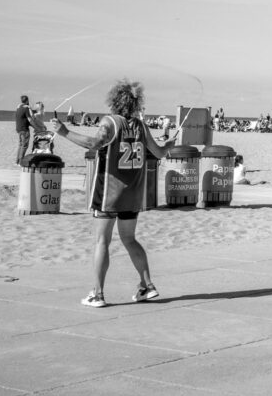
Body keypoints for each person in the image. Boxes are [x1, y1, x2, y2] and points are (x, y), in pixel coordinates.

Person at [47, 78, 174, 308]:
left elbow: (94, 143)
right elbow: (159, 152)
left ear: (114, 101)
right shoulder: (141, 126)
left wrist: (64, 132)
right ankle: (147, 285)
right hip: (132, 194)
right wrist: (169, 145)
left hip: (109, 193)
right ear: (135, 103)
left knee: (101, 241)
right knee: (129, 239)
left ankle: (97, 293)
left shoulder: (110, 122)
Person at [15, 95, 34, 164]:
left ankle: (17, 161)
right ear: (27, 100)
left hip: (19, 129)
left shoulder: (18, 108)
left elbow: (23, 118)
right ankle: (21, 161)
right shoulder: (26, 109)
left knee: (20, 145)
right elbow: (29, 119)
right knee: (24, 145)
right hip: (24, 129)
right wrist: (35, 126)